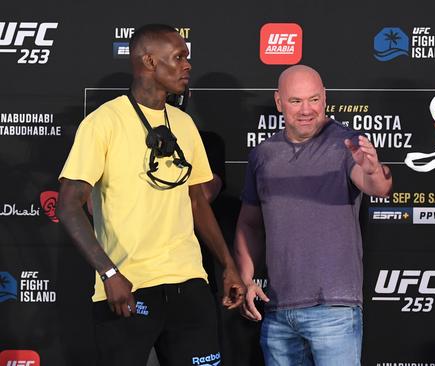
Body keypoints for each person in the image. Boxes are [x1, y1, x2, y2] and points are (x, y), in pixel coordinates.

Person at [56, 24, 244, 366]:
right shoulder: (104, 123)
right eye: (178, 57)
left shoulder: (184, 125)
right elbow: (68, 204)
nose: (187, 65)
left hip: (190, 283)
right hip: (128, 286)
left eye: (187, 57)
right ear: (149, 61)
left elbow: (197, 201)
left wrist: (228, 265)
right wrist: (109, 274)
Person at [233, 65, 392, 366]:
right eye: (296, 101)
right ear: (279, 102)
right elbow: (249, 224)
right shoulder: (263, 154)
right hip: (277, 312)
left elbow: (377, 187)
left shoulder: (348, 143)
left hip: (334, 309)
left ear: (325, 98)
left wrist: (373, 170)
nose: (306, 110)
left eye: (314, 99)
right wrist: (245, 278)